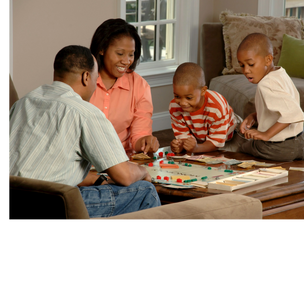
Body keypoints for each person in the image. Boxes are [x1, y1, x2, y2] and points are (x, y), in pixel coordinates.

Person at [6, 45, 161, 218]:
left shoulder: (23, 103)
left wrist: (98, 179)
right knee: (145, 190)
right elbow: (123, 175)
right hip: (52, 206)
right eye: (96, 78)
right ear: (86, 77)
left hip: (11, 201)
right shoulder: (86, 112)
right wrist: (142, 172)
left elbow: (48, 166)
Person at [89, 18, 159, 155]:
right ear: (102, 49)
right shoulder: (84, 80)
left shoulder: (140, 86)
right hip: (85, 160)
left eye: (131, 54)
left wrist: (145, 141)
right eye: (120, 54)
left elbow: (139, 134)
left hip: (121, 158)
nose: (126, 61)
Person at [235, 33, 304, 161]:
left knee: (241, 147)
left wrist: (266, 135)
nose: (246, 70)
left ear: (268, 60)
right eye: (242, 65)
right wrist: (255, 116)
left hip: (280, 147)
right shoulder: (280, 73)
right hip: (301, 141)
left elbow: (294, 114)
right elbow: (284, 107)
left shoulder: (266, 84)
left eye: (251, 64)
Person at [169, 62, 238, 154]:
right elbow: (184, 138)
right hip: (200, 135)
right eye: (177, 96)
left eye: (189, 98)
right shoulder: (174, 107)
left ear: (203, 91)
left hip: (228, 134)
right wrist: (181, 145)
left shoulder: (217, 107)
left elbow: (215, 143)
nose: (182, 103)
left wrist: (197, 148)